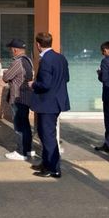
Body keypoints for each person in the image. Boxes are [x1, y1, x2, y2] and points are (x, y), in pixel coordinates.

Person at [29, 32, 70, 178]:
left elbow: (45, 84)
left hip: (47, 103)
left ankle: (53, 168)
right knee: (43, 133)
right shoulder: (61, 58)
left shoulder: (46, 60)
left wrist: (33, 84)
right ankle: (46, 163)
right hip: (55, 102)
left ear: (38, 45)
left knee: (48, 136)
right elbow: (66, 78)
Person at [2, 39, 35, 161]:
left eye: (11, 49)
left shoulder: (17, 62)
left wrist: (6, 73)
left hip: (18, 97)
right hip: (26, 96)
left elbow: (6, 77)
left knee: (19, 125)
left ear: (15, 50)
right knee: (26, 124)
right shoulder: (28, 61)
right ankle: (28, 149)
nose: (11, 51)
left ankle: (21, 152)